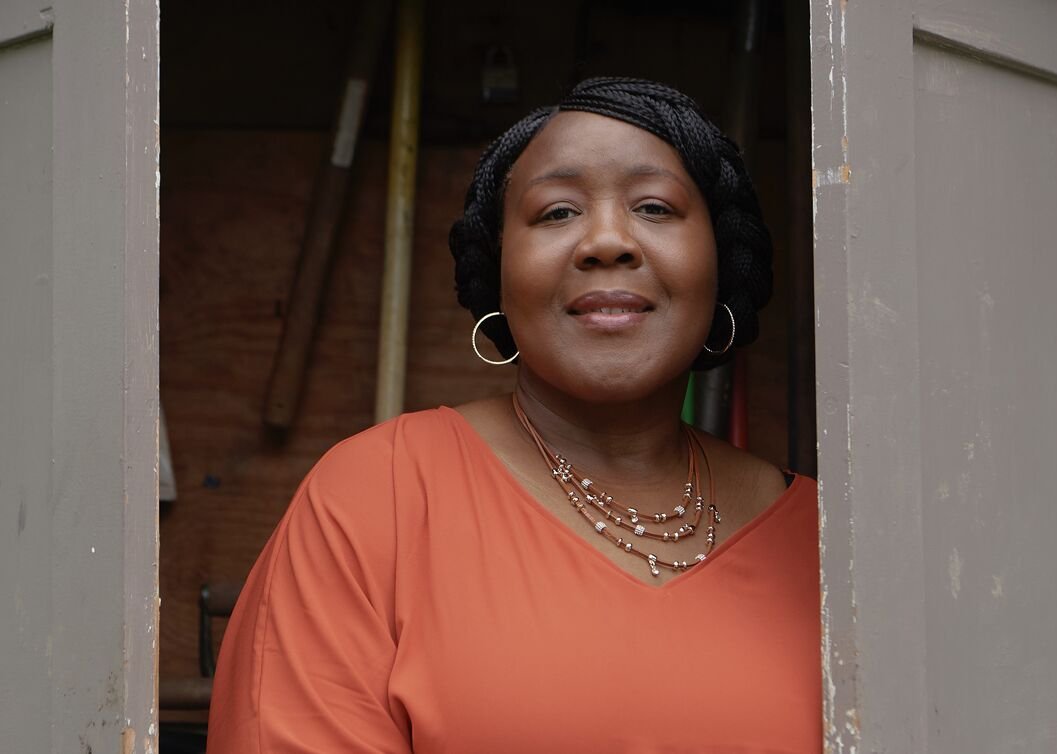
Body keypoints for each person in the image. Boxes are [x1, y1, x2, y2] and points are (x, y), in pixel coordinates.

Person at [207, 77, 819, 753]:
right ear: (498, 270)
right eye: (556, 213)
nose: (607, 241)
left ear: (721, 262)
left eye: (655, 206)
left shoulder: (829, 543)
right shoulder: (377, 497)